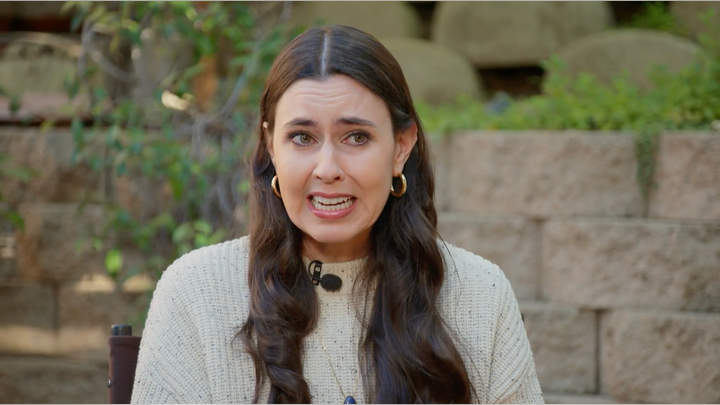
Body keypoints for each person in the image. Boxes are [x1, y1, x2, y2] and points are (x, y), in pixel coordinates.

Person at [131, 25, 544, 404]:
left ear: (401, 147)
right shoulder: (197, 294)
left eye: (356, 137)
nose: (327, 168)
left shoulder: (480, 296)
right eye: (302, 137)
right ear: (272, 147)